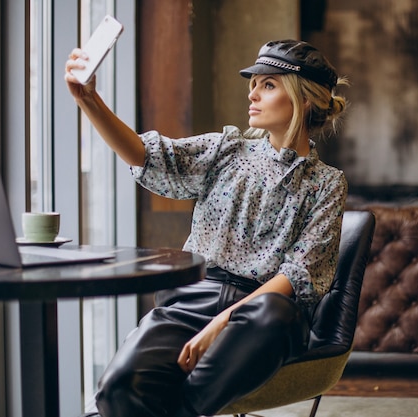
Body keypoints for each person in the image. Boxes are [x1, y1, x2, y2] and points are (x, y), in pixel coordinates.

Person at [65, 39, 349, 417]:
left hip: (263, 315)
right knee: (117, 391)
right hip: (191, 301)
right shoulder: (226, 149)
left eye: (268, 85)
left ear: (305, 99)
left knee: (275, 313)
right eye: (253, 83)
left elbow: (299, 274)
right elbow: (147, 155)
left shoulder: (327, 183)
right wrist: (89, 101)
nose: (253, 94)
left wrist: (222, 323)